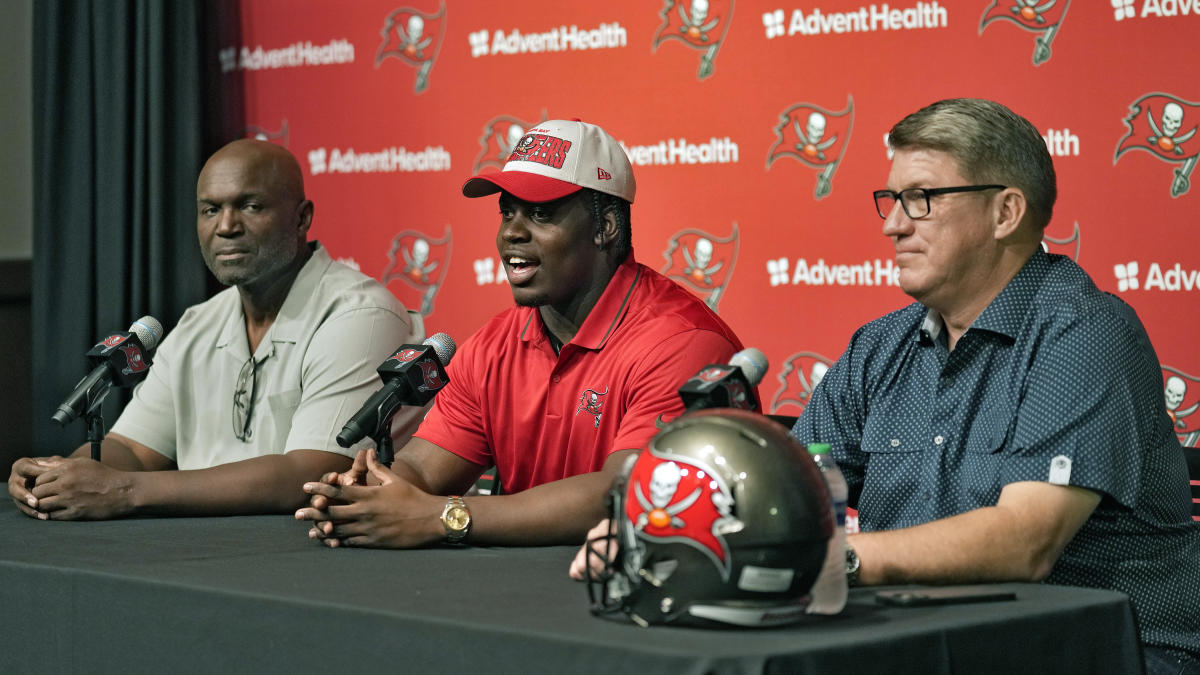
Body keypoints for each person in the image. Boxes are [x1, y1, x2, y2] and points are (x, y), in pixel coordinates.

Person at [786, 98, 1198, 672]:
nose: (892, 224)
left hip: (1101, 654)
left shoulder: (1085, 334)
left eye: (921, 199)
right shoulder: (877, 349)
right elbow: (791, 490)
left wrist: (838, 560)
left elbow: (1024, 541)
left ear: (1005, 212)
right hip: (931, 644)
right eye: (891, 199)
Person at [295, 119, 748, 548]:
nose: (512, 232)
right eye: (507, 212)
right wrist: (375, 494)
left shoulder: (682, 343)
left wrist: (442, 518)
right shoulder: (492, 345)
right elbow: (424, 470)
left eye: (540, 214)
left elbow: (627, 492)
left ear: (605, 227)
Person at [8, 139, 423, 520]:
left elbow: (314, 469)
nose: (226, 226)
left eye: (250, 206)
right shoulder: (197, 324)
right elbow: (133, 448)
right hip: (200, 552)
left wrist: (127, 489)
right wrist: (60, 477)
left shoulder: (361, 315)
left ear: (302, 218)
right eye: (210, 209)